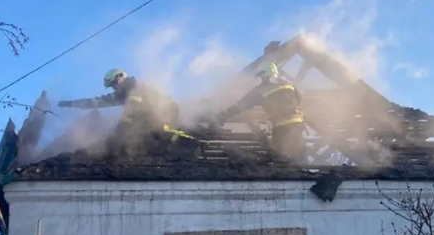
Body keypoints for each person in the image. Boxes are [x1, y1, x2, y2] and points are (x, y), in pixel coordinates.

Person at [58, 69, 197, 150]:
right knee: (136, 128)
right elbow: (96, 102)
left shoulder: (134, 87)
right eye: (111, 86)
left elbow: (132, 111)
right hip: (153, 114)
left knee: (138, 126)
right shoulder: (122, 94)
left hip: (167, 110)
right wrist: (70, 104)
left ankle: (177, 137)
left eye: (114, 84)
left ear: (120, 77)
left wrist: (117, 132)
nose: (114, 88)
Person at [216, 60, 307, 161]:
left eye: (261, 77)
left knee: (280, 157)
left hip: (282, 127)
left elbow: (242, 105)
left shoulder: (262, 89)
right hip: (298, 124)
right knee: (299, 155)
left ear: (264, 75)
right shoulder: (288, 85)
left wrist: (223, 116)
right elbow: (299, 99)